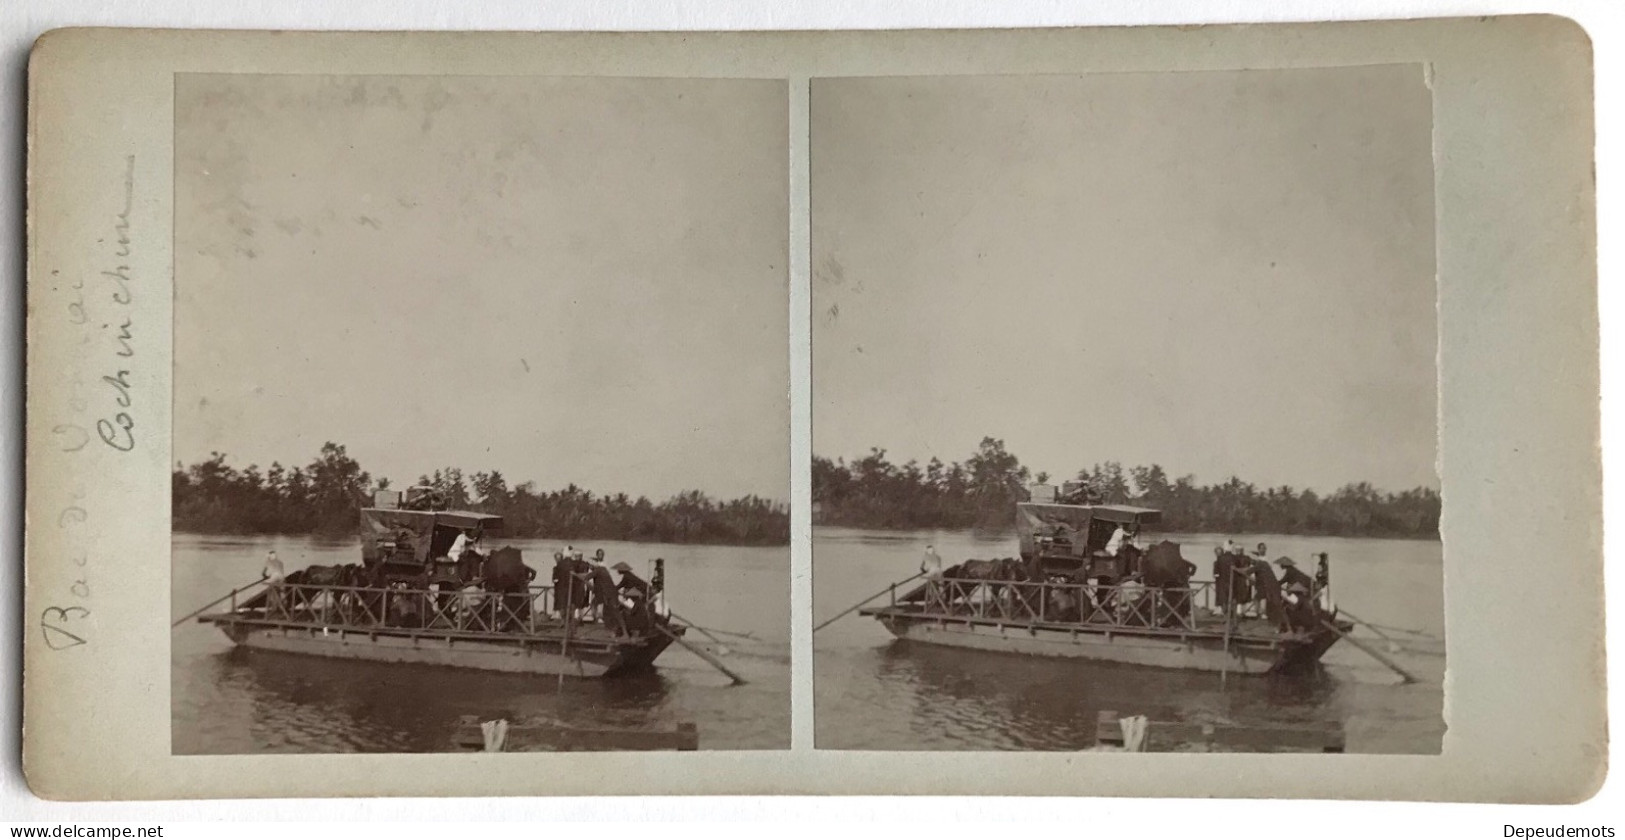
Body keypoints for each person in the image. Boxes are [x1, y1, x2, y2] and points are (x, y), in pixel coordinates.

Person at [262, 550, 286, 614]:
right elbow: (280, 571)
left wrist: (265, 577)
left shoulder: (268, 561)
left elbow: (263, 573)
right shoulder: (280, 562)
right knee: (281, 591)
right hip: (282, 577)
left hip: (274, 577)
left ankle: (274, 608)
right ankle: (281, 608)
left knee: (271, 591)